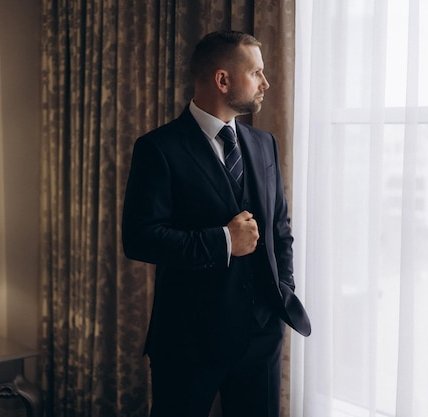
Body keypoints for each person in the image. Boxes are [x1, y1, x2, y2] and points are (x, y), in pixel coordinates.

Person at [122, 30, 311, 417]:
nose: (266, 82)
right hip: (188, 340)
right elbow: (140, 239)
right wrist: (223, 241)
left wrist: (283, 289)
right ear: (222, 80)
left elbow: (280, 229)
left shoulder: (263, 143)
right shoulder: (159, 148)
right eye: (256, 72)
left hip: (261, 337)